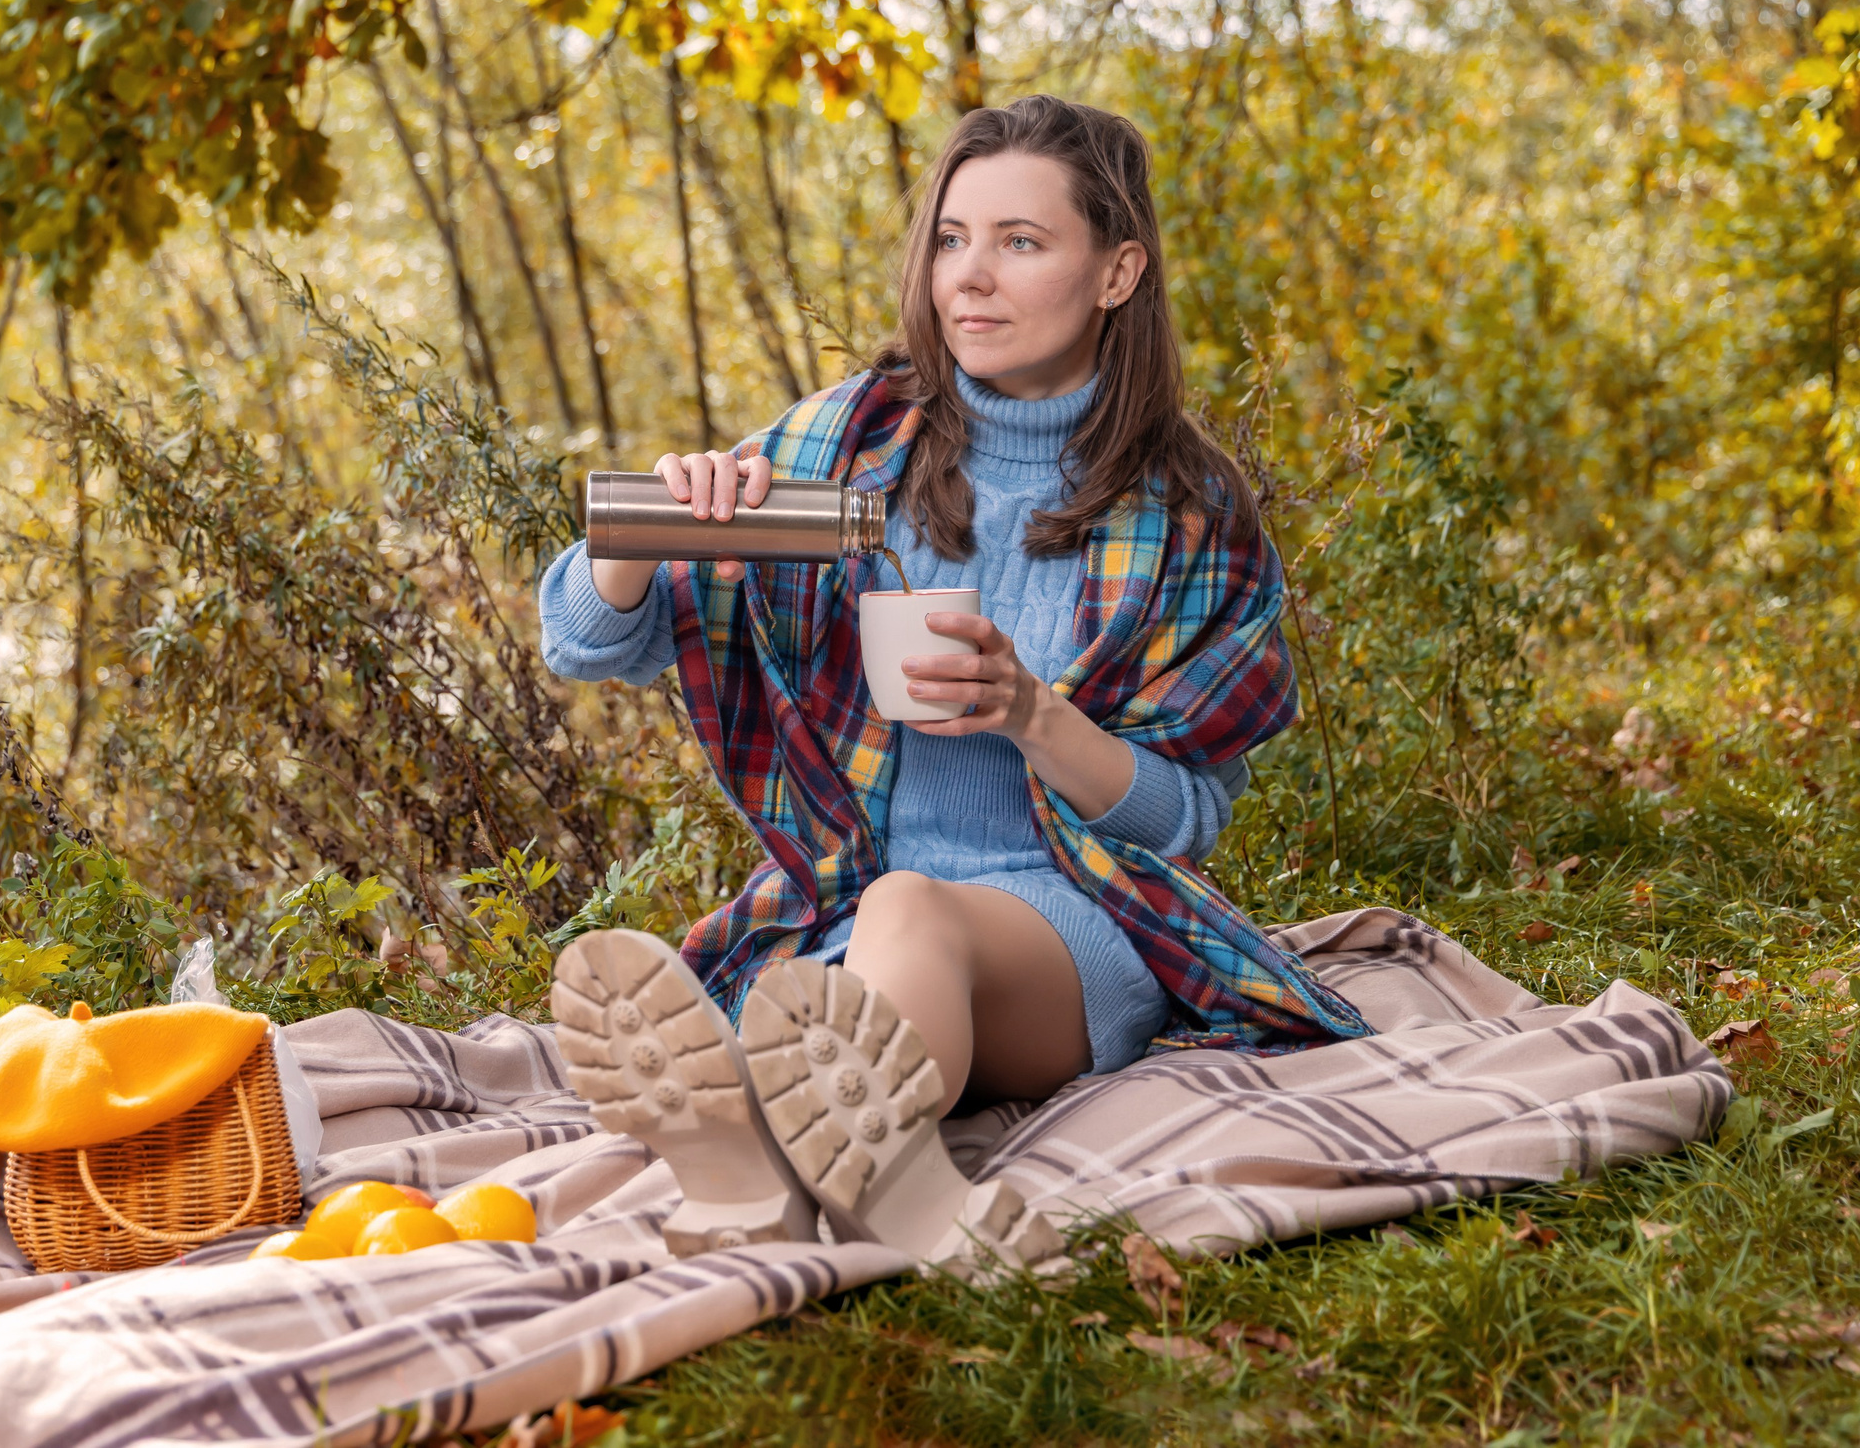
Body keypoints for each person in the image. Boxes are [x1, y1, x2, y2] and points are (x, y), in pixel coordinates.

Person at [538, 96, 1370, 1271]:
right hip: (846, 923)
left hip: (1078, 923)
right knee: (842, 962)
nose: (969, 278)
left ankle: (773, 1160)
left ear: (1117, 269)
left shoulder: (1187, 510)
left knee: (908, 911)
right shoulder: (845, 445)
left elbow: (1184, 815)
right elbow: (582, 639)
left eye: (1019, 243)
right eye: (950, 239)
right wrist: (645, 535)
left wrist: (1029, 711)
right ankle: (816, 1178)